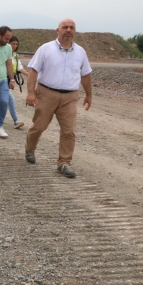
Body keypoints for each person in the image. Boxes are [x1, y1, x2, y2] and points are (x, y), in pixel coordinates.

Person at [24, 18, 93, 179]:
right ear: (58, 30)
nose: (68, 30)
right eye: (65, 27)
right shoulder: (45, 49)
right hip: (47, 93)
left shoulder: (81, 52)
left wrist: (89, 95)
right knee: (39, 127)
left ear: (75, 31)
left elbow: (86, 74)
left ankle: (64, 163)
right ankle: (30, 148)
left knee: (69, 131)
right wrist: (31, 93)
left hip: (70, 96)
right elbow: (33, 71)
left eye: (72, 27)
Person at [0, 35, 28, 129]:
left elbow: (19, 67)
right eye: (13, 43)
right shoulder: (3, 52)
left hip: (7, 81)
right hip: (0, 80)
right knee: (10, 99)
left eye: (16, 44)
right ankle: (16, 120)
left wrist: (29, 75)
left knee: (0, 100)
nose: (15, 46)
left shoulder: (15, 56)